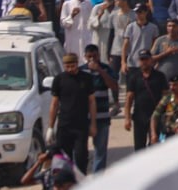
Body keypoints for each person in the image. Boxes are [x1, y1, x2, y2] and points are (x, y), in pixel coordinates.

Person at [47, 53, 96, 174]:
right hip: (64, 125)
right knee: (64, 159)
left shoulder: (86, 78)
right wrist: (50, 127)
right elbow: (54, 104)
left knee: (81, 158)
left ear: (77, 64)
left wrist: (93, 124)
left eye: (72, 66)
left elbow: (92, 102)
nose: (70, 69)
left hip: (81, 125)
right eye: (67, 66)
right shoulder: (59, 79)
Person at [80, 43, 118, 172]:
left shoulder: (106, 69)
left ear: (99, 56)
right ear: (85, 56)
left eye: (94, 56)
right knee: (80, 151)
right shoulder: (80, 71)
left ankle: (98, 179)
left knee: (100, 152)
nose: (92, 59)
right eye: (89, 56)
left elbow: (114, 86)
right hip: (84, 118)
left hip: (102, 117)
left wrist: (100, 71)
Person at [124, 49, 168, 151]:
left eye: (146, 59)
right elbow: (129, 98)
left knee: (156, 147)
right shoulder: (134, 77)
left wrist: (167, 113)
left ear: (151, 60)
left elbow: (166, 96)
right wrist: (127, 118)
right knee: (139, 149)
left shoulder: (160, 76)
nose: (144, 62)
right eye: (142, 59)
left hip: (156, 116)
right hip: (139, 117)